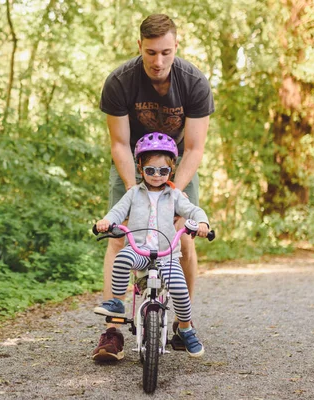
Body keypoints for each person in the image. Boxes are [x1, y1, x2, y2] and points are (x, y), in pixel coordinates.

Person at [93, 13, 214, 361]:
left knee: (184, 237)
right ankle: (113, 332)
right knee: (118, 238)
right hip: (134, 165)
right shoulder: (120, 81)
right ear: (139, 47)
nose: (158, 61)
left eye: (165, 52)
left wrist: (172, 191)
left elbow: (194, 148)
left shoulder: (194, 83)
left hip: (177, 167)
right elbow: (119, 144)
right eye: (150, 53)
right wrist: (136, 191)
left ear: (176, 46)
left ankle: (181, 326)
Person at [93, 133, 209, 359]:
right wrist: (107, 221)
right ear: (140, 167)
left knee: (180, 290)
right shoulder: (133, 194)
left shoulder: (175, 195)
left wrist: (202, 222)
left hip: (167, 255)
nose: (157, 176)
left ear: (171, 169)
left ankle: (185, 329)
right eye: (150, 171)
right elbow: (117, 211)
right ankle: (117, 303)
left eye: (163, 171)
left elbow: (193, 210)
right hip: (139, 251)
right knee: (122, 258)